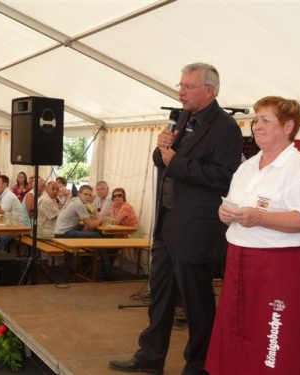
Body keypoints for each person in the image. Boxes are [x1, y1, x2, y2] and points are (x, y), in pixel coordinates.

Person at [109, 62, 243, 375]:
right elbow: (165, 162)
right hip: (168, 222)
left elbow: (224, 177)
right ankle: (150, 357)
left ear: (208, 90)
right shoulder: (184, 118)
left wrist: (176, 161)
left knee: (196, 301)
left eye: (187, 86)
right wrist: (161, 150)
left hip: (196, 228)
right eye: (180, 85)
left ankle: (199, 364)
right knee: (160, 293)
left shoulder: (226, 127)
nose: (179, 91)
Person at [205, 96, 300, 375]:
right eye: (256, 120)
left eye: (265, 120)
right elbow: (234, 204)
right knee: (237, 335)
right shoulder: (247, 166)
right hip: (239, 262)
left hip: (279, 268)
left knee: (273, 342)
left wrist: (261, 218)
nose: (256, 126)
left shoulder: (299, 167)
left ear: (288, 127)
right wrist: (225, 213)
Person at [0, 175, 24, 251]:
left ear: (5, 185)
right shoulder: (0, 194)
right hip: (7, 224)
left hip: (16, 226)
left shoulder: (8, 196)